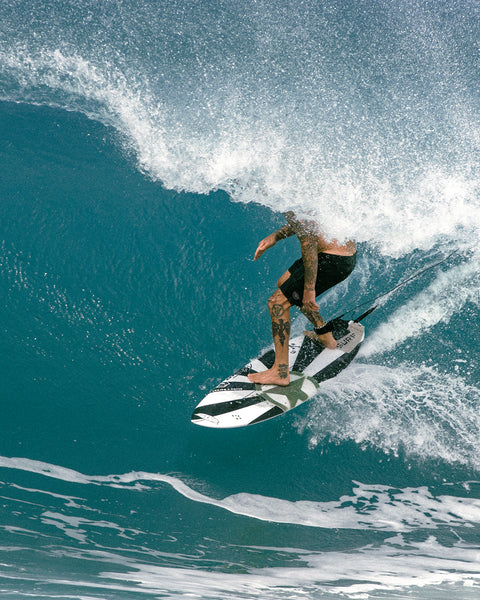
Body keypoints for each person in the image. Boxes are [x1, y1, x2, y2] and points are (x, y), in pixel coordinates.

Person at [248, 211, 356, 386]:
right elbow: (307, 225)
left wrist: (309, 289)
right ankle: (325, 334)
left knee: (278, 302)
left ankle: (280, 372)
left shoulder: (288, 194)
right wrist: (276, 236)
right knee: (285, 285)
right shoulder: (301, 189)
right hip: (341, 254)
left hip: (333, 260)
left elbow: (308, 244)